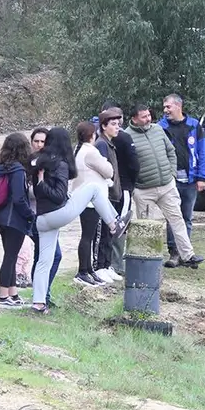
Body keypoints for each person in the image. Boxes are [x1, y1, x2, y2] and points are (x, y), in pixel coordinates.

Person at [28, 127, 128, 313]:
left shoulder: (39, 163)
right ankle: (114, 224)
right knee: (93, 188)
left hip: (41, 219)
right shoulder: (60, 164)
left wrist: (41, 183)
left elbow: (41, 189)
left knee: (44, 260)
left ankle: (38, 303)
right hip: (57, 214)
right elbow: (58, 197)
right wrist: (45, 186)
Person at [126, 105, 200, 268]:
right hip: (144, 189)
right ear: (134, 119)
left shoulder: (158, 130)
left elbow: (170, 151)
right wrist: (135, 185)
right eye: (144, 117)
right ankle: (148, 260)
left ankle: (188, 255)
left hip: (167, 185)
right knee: (148, 225)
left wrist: (171, 173)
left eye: (148, 115)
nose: (148, 119)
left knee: (177, 219)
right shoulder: (126, 136)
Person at [0, 132, 36, 307]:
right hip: (13, 218)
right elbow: (18, 198)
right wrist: (29, 215)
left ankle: (13, 293)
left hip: (0, 216)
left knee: (11, 254)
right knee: (10, 256)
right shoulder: (17, 170)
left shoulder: (0, 168)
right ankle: (3, 296)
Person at [159, 94, 205, 259]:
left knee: (186, 216)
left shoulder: (194, 126)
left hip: (191, 179)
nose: (165, 110)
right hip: (170, 180)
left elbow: (202, 152)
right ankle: (173, 252)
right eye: (164, 107)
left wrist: (202, 177)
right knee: (172, 216)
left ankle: (185, 253)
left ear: (178, 106)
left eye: (168, 107)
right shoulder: (161, 127)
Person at [73, 121, 115, 287]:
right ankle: (83, 270)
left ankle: (88, 269)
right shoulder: (90, 152)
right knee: (88, 236)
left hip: (84, 199)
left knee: (88, 236)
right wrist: (107, 162)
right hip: (91, 202)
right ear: (93, 135)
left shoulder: (79, 150)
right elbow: (109, 171)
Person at [95, 106, 131, 281]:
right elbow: (102, 171)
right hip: (105, 197)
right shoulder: (101, 144)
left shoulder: (111, 143)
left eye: (118, 124)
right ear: (103, 126)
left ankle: (108, 265)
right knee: (103, 233)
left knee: (111, 232)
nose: (117, 127)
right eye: (113, 124)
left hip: (114, 194)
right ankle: (100, 266)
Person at [27, 126, 62, 305]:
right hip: (35, 216)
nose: (40, 145)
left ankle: (43, 294)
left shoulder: (50, 163)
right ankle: (41, 296)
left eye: (43, 141)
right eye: (36, 141)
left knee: (46, 256)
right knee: (51, 256)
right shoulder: (30, 164)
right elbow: (29, 193)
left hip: (48, 215)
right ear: (31, 143)